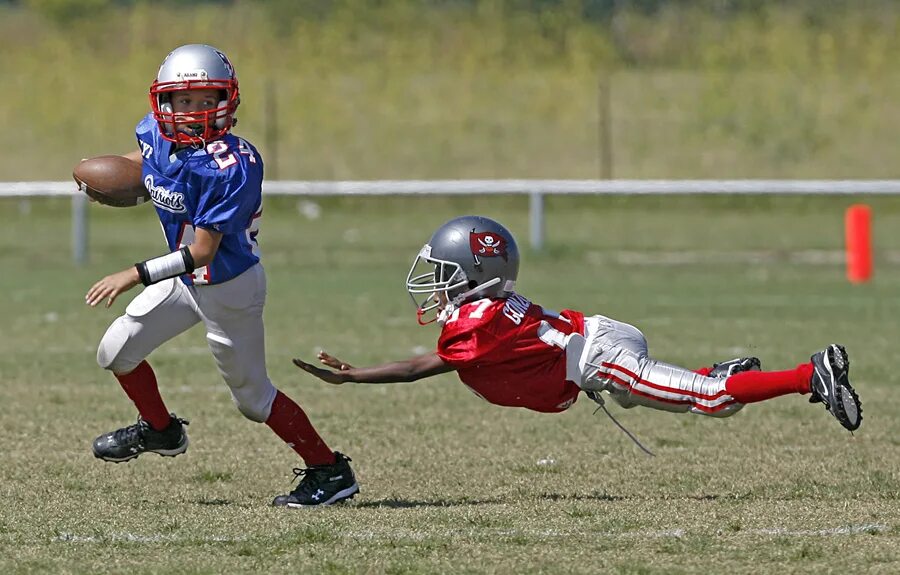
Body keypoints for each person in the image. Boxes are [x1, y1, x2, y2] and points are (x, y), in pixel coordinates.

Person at [292, 215, 863, 455]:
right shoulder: (485, 313)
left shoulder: (481, 319)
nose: (434, 287)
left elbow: (423, 367)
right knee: (709, 400)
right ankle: (726, 376)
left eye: (444, 275)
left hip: (598, 354)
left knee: (708, 402)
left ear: (474, 275)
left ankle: (813, 373)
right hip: (592, 349)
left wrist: (356, 376)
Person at [84, 44, 357, 508]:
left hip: (227, 285)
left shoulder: (231, 164)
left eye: (206, 100)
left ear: (226, 101)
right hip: (186, 281)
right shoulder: (155, 132)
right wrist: (109, 177)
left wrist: (134, 273)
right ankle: (162, 431)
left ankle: (329, 471)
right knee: (115, 351)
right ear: (163, 101)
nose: (194, 112)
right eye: (184, 101)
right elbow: (142, 159)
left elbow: (203, 251)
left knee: (253, 399)